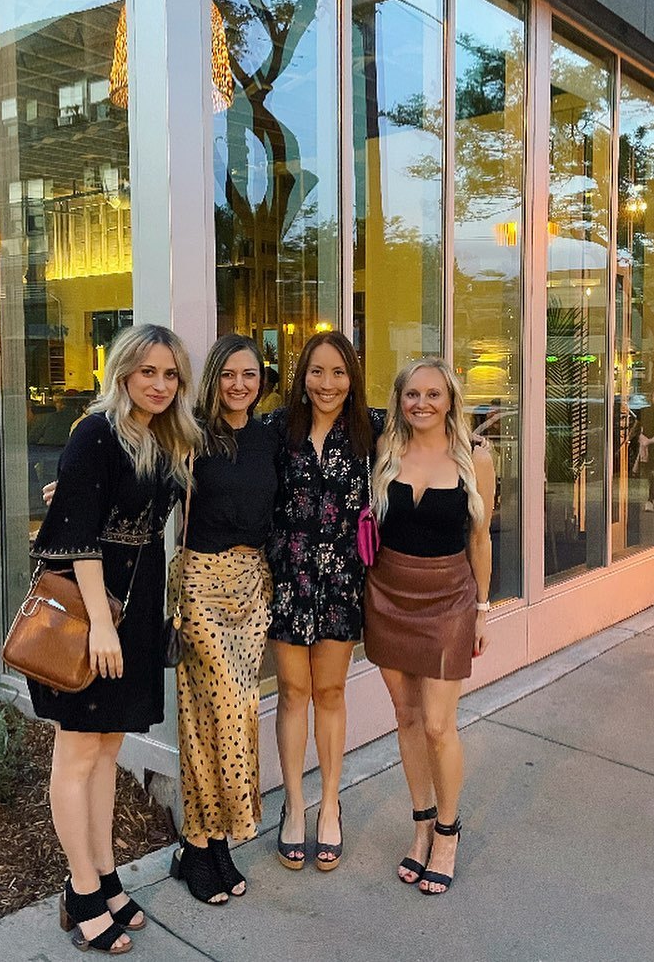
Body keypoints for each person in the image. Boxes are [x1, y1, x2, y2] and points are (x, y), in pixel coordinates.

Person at [28, 323, 200, 954]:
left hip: (137, 604)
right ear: (123, 371)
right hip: (91, 612)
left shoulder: (164, 438)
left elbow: (106, 506)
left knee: (107, 752)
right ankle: (79, 891)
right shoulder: (97, 431)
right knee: (77, 753)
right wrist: (102, 623)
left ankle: (104, 876)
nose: (159, 384)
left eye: (170, 374)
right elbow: (77, 536)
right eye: (147, 371)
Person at [363, 355, 495, 897]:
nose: (422, 403)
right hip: (387, 594)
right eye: (412, 394)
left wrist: (482, 609)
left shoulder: (476, 457)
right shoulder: (384, 452)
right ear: (399, 400)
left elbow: (480, 539)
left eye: (433, 394)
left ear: (450, 400)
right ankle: (420, 826)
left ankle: (447, 831)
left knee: (439, 725)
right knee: (406, 715)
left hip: (448, 600)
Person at [263, 330, 385, 871]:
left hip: (341, 583)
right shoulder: (276, 429)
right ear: (302, 375)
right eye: (317, 371)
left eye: (338, 372)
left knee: (330, 691)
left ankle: (330, 804)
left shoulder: (372, 429)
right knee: (293, 692)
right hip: (288, 580)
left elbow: (432, 428)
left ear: (352, 378)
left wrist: (472, 446)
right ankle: (294, 805)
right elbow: (216, 449)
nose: (327, 383)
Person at [169, 333, 280, 905]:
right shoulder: (189, 436)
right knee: (228, 709)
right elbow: (141, 477)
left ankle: (205, 846)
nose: (240, 384)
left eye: (250, 375)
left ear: (262, 381)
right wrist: (75, 491)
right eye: (229, 374)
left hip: (253, 587)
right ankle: (206, 841)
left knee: (215, 716)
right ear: (214, 378)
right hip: (201, 585)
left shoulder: (270, 436)